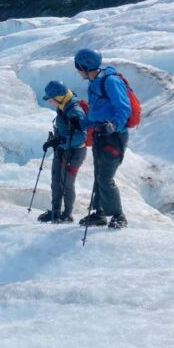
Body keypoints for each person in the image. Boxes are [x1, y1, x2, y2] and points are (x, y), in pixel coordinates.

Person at [74, 48, 131, 229]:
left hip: (114, 136)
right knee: (99, 175)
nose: (78, 71)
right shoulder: (94, 82)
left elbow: (124, 108)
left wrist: (113, 125)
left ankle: (118, 215)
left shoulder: (111, 82)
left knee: (105, 177)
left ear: (85, 65)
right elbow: (95, 113)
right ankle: (99, 214)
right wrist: (81, 125)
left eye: (79, 67)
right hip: (100, 135)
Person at [38, 80, 87, 224]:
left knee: (67, 183)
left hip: (74, 152)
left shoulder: (74, 110)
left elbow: (81, 136)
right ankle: (55, 212)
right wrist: (55, 141)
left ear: (59, 97)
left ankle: (66, 215)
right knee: (56, 181)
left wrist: (62, 141)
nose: (50, 102)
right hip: (62, 150)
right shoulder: (63, 106)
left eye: (51, 99)